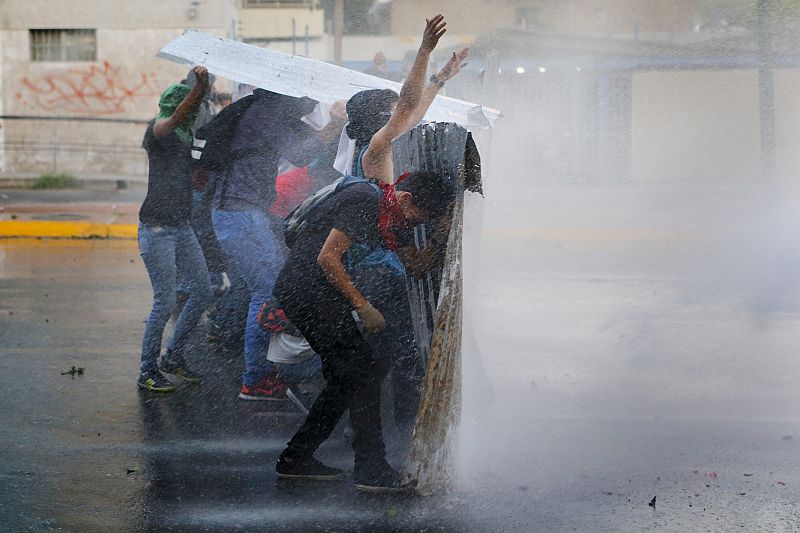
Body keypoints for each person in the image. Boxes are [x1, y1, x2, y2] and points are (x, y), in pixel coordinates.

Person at [273, 14, 467, 493]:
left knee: (352, 374)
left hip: (320, 290)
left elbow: (417, 263)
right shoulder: (372, 178)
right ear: (405, 199)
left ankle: (298, 458)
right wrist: (424, 52)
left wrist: (447, 241)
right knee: (363, 371)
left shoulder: (393, 212)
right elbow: (327, 259)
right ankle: (371, 470)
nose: (416, 227)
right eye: (421, 218)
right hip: (309, 289)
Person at [211, 89, 345, 401]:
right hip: (240, 214)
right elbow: (300, 154)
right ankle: (255, 380)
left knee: (266, 289)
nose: (311, 104)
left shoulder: (263, 110)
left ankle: (264, 371)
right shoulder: (265, 114)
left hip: (243, 213)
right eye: (307, 98)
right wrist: (335, 124)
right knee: (267, 293)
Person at [137, 67, 213, 393]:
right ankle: (147, 371)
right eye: (186, 106)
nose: (191, 111)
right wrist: (200, 86)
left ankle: (173, 357)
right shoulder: (157, 130)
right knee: (164, 300)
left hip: (181, 226)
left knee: (203, 292)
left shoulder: (186, 136)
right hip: (156, 229)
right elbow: (181, 114)